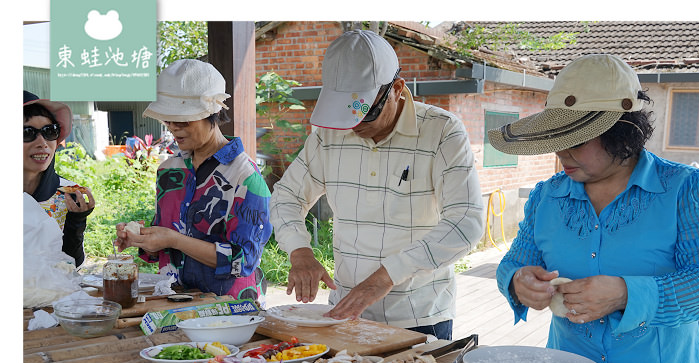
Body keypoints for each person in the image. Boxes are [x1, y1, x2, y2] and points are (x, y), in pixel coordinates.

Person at [489, 54, 699, 363]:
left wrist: (625, 294)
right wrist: (518, 281)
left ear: (620, 132)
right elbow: (513, 264)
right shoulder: (546, 196)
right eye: (556, 138)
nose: (561, 152)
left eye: (575, 140)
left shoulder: (684, 189)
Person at [269, 30, 484, 340]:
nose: (354, 125)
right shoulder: (329, 135)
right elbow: (286, 196)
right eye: (345, 115)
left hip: (419, 315)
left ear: (397, 89)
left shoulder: (443, 131)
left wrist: (386, 276)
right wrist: (300, 252)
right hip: (343, 313)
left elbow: (466, 221)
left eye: (364, 112)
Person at [114, 59, 272, 302]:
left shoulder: (245, 176)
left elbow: (244, 260)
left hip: (229, 307)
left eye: (184, 120)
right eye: (168, 120)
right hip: (174, 300)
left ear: (213, 113)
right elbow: (166, 244)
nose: (174, 128)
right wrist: (142, 239)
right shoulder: (169, 171)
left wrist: (174, 239)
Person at [23, 91, 95, 266]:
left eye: (49, 131)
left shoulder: (67, 194)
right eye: (27, 132)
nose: (42, 143)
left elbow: (71, 265)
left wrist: (76, 223)